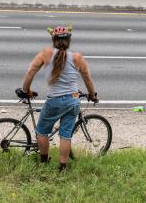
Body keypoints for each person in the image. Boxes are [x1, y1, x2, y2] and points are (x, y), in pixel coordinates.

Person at [20, 26, 98, 171]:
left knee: (42, 131)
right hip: (73, 100)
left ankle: (43, 163)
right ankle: (62, 168)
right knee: (65, 135)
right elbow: (88, 79)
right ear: (69, 41)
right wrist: (92, 95)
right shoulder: (77, 58)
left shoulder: (45, 54)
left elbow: (31, 72)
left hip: (54, 101)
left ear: (53, 41)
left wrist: (25, 90)